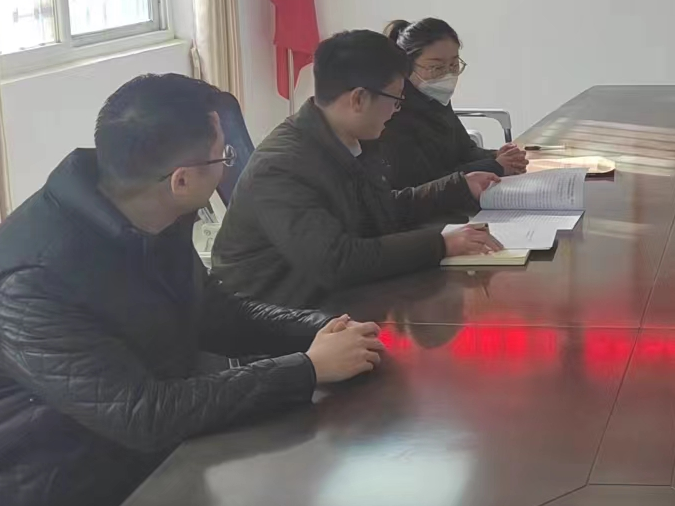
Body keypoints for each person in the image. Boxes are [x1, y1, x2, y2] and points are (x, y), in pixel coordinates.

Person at [0, 74, 388, 506]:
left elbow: (215, 314)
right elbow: (144, 414)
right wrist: (306, 369)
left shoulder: (147, 214)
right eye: (224, 156)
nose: (229, 165)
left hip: (112, 462)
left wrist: (325, 329)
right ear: (182, 179)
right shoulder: (30, 285)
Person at [213, 30, 502, 308]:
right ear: (359, 99)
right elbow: (336, 261)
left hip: (333, 301)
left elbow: (381, 207)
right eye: (395, 100)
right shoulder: (281, 166)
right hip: (277, 314)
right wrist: (440, 244)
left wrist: (458, 187)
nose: (397, 111)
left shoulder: (350, 138)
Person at [377, 17, 527, 188]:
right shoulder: (394, 113)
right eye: (437, 68)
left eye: (454, 65)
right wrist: (495, 166)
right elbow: (424, 182)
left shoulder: (435, 100)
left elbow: (465, 151)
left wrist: (495, 156)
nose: (448, 75)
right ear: (407, 67)